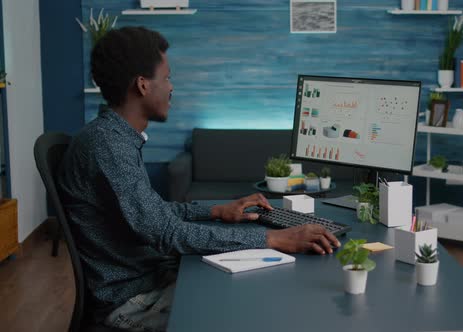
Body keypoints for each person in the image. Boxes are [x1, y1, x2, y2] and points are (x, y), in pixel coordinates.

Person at [57, 26, 340, 332]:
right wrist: (273, 239)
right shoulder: (108, 146)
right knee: (259, 311)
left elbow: (155, 214)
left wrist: (216, 210)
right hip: (132, 301)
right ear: (142, 85)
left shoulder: (114, 138)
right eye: (166, 77)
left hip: (151, 276)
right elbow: (165, 232)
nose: (171, 87)